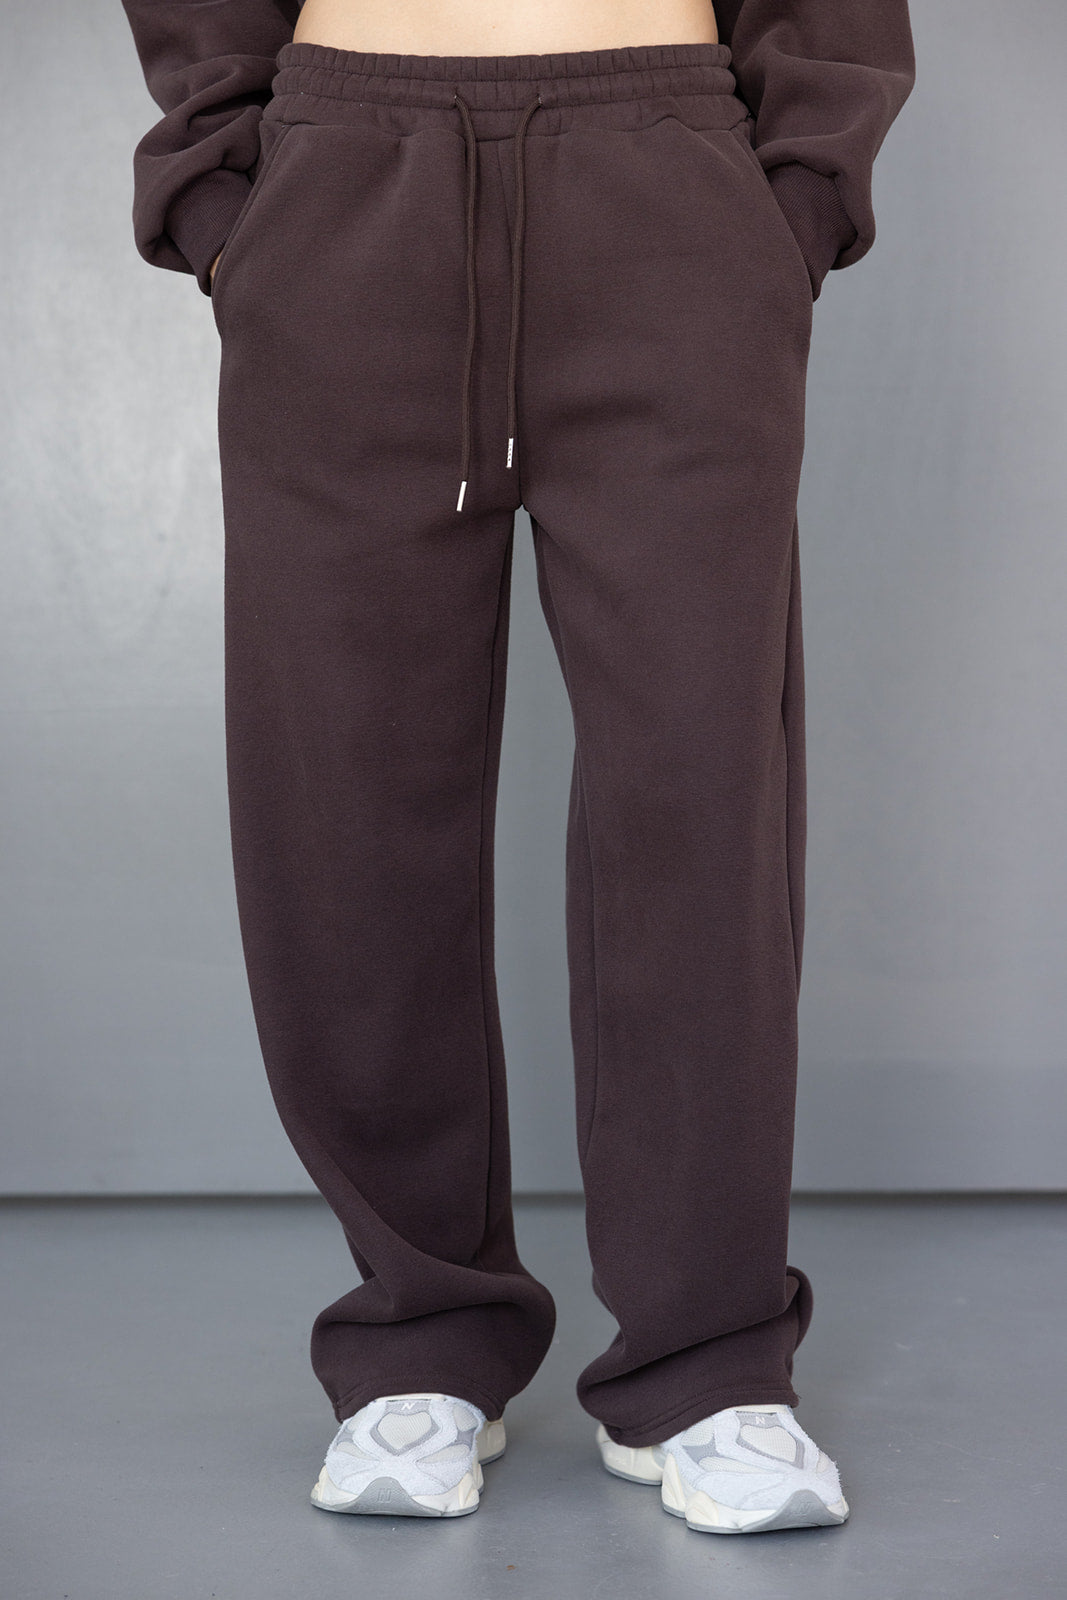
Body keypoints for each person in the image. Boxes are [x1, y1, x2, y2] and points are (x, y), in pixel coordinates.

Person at [120, 0, 915, 1534]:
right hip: (347, 196)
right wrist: (229, 198)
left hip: (667, 190)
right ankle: (419, 1337)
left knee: (700, 804)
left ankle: (709, 1364)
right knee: (343, 804)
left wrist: (795, 204)